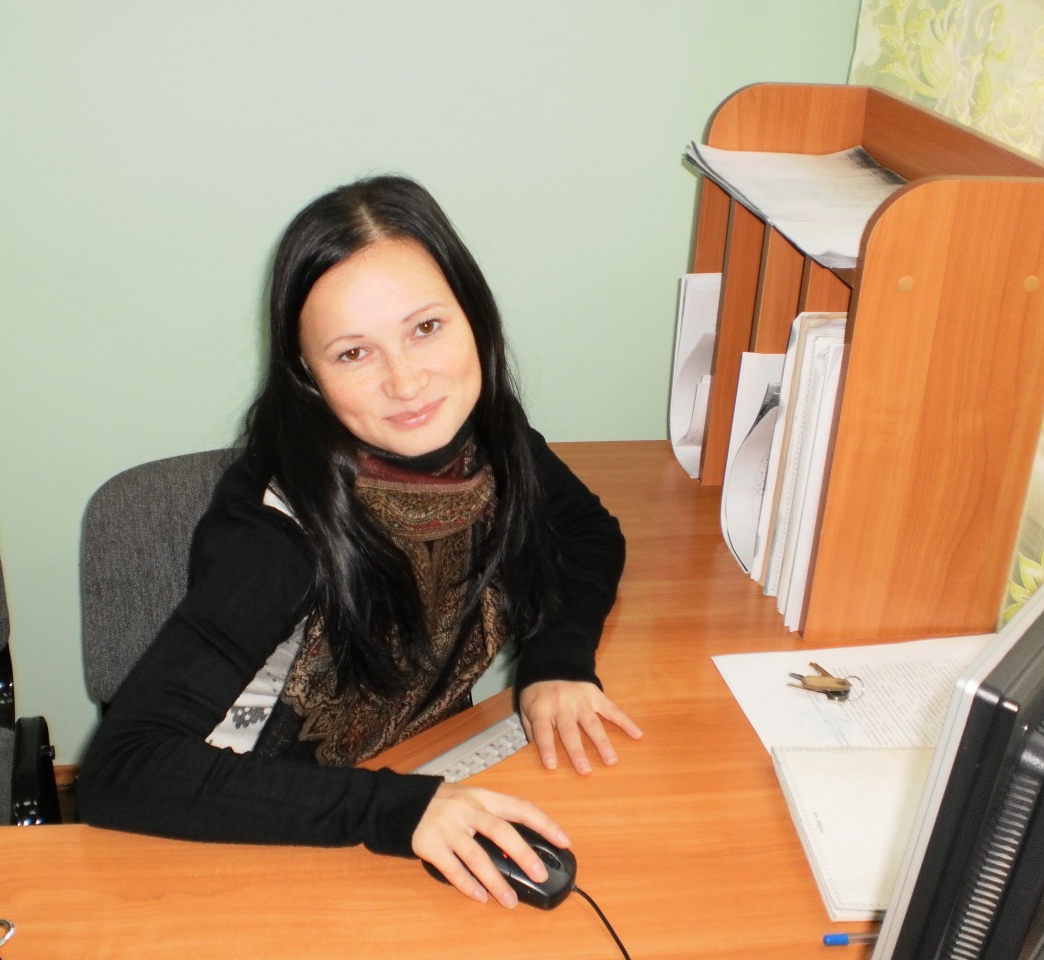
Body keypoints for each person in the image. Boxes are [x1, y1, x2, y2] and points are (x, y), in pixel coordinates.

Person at [77, 174, 641, 909]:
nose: (407, 382)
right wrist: (396, 812)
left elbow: (588, 532)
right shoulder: (273, 535)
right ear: (306, 374)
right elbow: (122, 770)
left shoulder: (485, 432)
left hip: (414, 770)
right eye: (352, 354)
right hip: (249, 828)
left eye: (426, 328)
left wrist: (557, 660)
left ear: (474, 317)